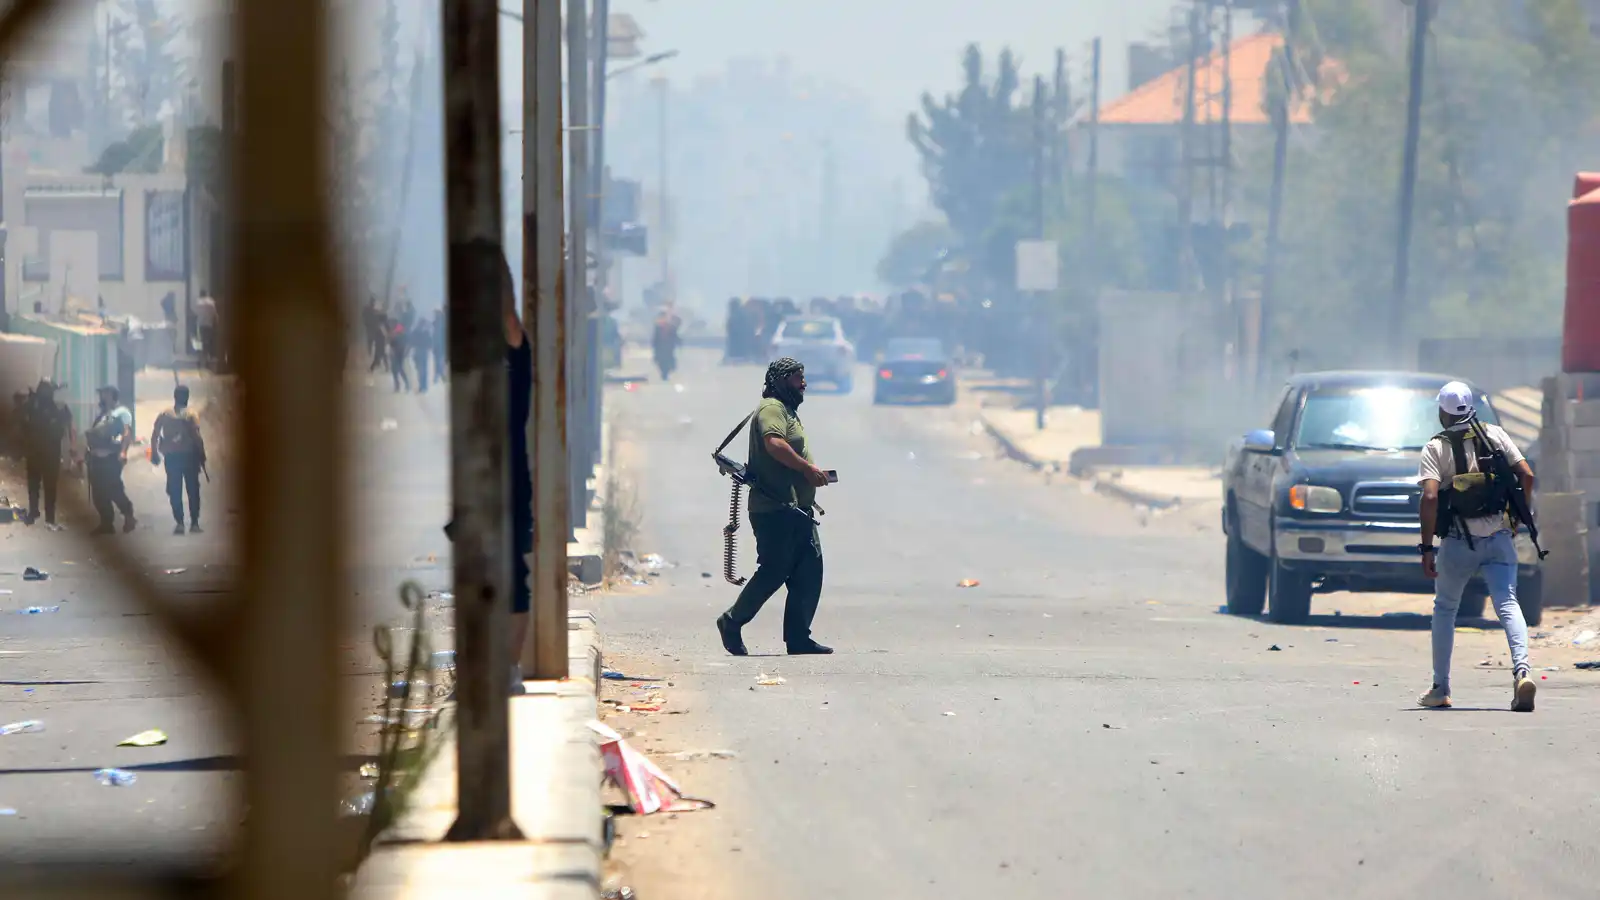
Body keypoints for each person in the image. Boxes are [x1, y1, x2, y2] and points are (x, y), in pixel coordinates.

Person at [1418, 381, 1538, 712]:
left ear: (1443, 411)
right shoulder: (1495, 435)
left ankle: (1440, 687)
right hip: (1499, 538)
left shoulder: (1436, 448)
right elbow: (1526, 476)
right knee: (1508, 604)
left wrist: (1426, 548)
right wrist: (1516, 520)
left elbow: (1429, 497)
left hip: (1457, 543)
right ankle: (1522, 671)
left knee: (1445, 609)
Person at [715, 357, 834, 656]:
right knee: (774, 570)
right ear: (781, 381)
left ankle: (798, 638)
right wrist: (807, 469)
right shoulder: (772, 408)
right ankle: (732, 621)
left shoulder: (787, 410)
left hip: (797, 509)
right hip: (774, 508)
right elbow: (774, 443)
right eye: (797, 378)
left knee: (809, 570)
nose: (803, 383)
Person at [150, 384, 206, 535]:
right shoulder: (191, 414)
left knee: (174, 489)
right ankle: (194, 523)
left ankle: (180, 523)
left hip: (172, 457)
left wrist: (154, 453)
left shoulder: (165, 414)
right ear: (187, 397)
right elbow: (196, 436)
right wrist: (202, 454)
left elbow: (155, 434)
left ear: (175, 396)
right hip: (189, 457)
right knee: (193, 490)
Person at [20, 380, 73, 527]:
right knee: (35, 485)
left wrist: (72, 446)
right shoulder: (34, 404)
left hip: (48, 453)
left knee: (46, 486)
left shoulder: (58, 405)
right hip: (37, 451)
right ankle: (36, 512)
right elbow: (22, 421)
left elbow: (68, 425)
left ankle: (46, 516)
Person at [85, 385, 136, 535]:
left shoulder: (122, 413)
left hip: (110, 458)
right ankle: (106, 523)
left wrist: (123, 452)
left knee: (114, 489)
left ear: (112, 395)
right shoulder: (101, 415)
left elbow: (127, 432)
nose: (101, 397)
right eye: (101, 394)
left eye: (104, 394)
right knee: (98, 493)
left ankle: (128, 514)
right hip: (96, 458)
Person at [652, 306, 681, 381]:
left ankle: (665, 373)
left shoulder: (670, 327)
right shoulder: (658, 327)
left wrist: (678, 342)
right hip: (661, 349)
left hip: (668, 349)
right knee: (662, 363)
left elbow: (674, 336)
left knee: (668, 363)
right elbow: (655, 339)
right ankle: (664, 374)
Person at [194, 290, 219, 371]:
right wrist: (216, 322)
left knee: (201, 341)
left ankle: (201, 359)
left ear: (200, 295)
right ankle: (207, 359)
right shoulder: (211, 302)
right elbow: (215, 314)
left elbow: (196, 313)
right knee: (207, 341)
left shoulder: (198, 303)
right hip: (209, 324)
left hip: (201, 325)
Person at [388, 320, 411, 392]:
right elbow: (391, 345)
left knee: (398, 370)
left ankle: (401, 385)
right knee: (397, 371)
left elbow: (391, 345)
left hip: (398, 354)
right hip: (397, 354)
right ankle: (402, 385)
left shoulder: (399, 335)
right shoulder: (397, 335)